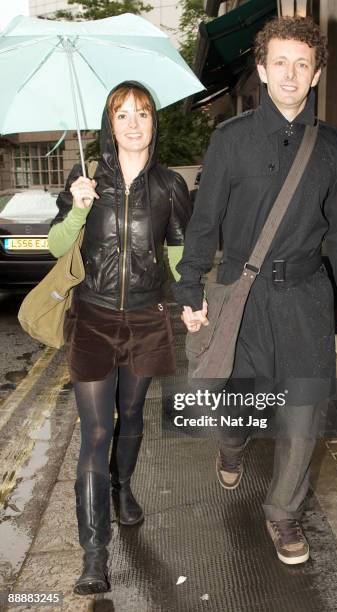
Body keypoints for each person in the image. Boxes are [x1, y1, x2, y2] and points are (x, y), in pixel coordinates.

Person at [173, 17, 337, 566]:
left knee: (304, 413)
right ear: (261, 70)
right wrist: (190, 288)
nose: (290, 73)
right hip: (240, 294)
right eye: (280, 62)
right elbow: (204, 223)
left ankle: (283, 513)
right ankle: (232, 445)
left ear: (316, 73)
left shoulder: (330, 144)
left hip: (305, 295)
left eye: (302, 64)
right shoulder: (230, 140)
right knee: (233, 404)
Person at [48, 81, 191, 594]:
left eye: (143, 114)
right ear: (110, 125)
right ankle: (94, 555)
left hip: (147, 318)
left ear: (155, 122)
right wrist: (79, 207)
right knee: (95, 433)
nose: (133, 124)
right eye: (123, 115)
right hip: (93, 318)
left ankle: (123, 487)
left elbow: (178, 249)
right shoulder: (85, 178)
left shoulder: (171, 184)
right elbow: (55, 245)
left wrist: (191, 302)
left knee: (131, 415)